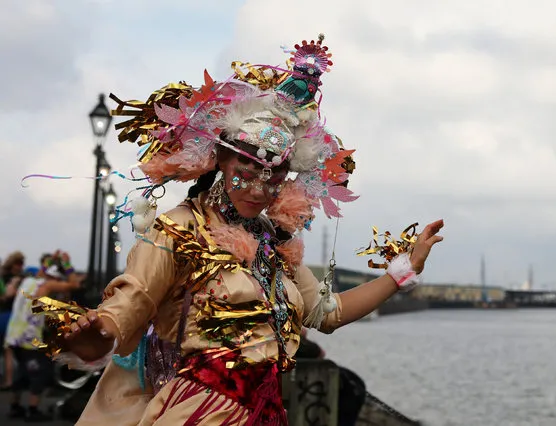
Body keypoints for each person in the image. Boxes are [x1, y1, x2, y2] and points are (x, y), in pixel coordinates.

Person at [33, 34, 444, 425]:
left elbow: (326, 312)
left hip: (264, 411)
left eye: (271, 179)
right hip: (198, 411)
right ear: (221, 164)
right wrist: (98, 335)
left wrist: (403, 271)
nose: (259, 189)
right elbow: (134, 297)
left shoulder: (274, 242)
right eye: (246, 173)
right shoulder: (181, 228)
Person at [4, 255, 82, 421]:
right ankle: (33, 410)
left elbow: (41, 272)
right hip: (29, 338)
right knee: (40, 372)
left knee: (22, 372)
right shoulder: (47, 284)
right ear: (54, 278)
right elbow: (75, 284)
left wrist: (52, 259)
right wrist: (67, 263)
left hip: (14, 336)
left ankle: (15, 407)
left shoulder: (28, 281)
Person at [0, 251, 25, 391]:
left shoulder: (5, 277)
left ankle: (11, 380)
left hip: (7, 315)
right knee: (9, 350)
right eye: (19, 263)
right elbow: (9, 294)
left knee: (8, 350)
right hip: (9, 316)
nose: (21, 266)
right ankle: (11, 381)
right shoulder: (14, 279)